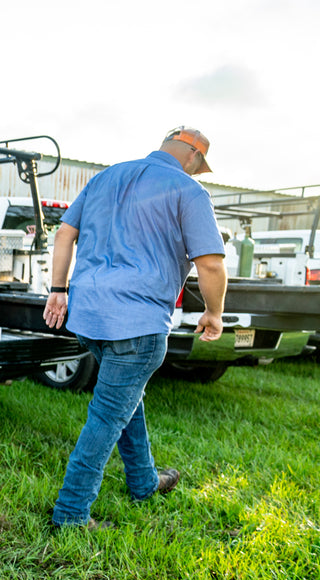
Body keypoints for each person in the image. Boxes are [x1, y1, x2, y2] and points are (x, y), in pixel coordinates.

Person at [42, 126, 228, 529]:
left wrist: (58, 290)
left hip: (89, 316)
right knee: (108, 415)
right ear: (193, 156)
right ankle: (71, 513)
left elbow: (64, 234)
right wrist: (214, 313)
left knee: (126, 395)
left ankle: (144, 481)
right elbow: (210, 263)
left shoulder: (104, 178)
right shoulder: (189, 191)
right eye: (199, 166)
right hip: (138, 322)